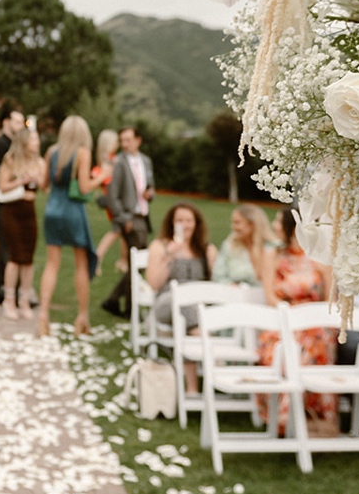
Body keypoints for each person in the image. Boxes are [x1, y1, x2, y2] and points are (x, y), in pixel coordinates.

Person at [261, 208, 338, 433]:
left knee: (315, 340)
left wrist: (311, 318)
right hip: (281, 321)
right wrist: (291, 317)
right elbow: (269, 295)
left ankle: (310, 416)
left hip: (315, 322)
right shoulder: (273, 255)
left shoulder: (321, 259)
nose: (274, 225)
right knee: (290, 344)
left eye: (276, 219)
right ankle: (288, 416)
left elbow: (329, 300)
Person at [38, 116, 103, 337]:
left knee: (52, 264)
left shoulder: (51, 152)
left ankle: (43, 315)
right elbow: (84, 188)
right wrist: (102, 177)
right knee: (81, 265)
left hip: (52, 210)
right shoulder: (83, 153)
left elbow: (44, 185)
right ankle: (82, 318)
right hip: (73, 211)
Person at [147, 202, 220, 392]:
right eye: (180, 220)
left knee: (191, 322)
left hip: (196, 308)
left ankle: (192, 388)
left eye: (189, 220)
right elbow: (153, 283)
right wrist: (169, 255)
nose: (185, 225)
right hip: (167, 303)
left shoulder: (206, 250)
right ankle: (213, 355)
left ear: (196, 223)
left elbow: (216, 283)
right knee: (185, 303)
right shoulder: (160, 245)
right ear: (172, 223)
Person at [100, 126, 154, 317]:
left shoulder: (146, 161)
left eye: (128, 140)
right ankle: (131, 310)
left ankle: (113, 300)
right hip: (130, 218)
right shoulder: (118, 163)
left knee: (137, 264)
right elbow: (111, 196)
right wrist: (124, 218)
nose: (124, 144)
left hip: (144, 215)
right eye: (122, 140)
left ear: (138, 140)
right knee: (138, 263)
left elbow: (151, 187)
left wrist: (150, 194)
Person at [0, 125, 43, 322]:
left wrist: (37, 180)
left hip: (29, 211)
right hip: (12, 210)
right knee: (15, 256)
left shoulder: (39, 162)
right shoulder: (10, 161)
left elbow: (44, 185)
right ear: (24, 142)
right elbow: (2, 186)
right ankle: (9, 299)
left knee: (28, 257)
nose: (37, 142)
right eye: (33, 139)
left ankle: (24, 299)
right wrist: (20, 181)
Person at [0, 107, 25, 305]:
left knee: (3, 248)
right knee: (8, 247)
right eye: (17, 121)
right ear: (6, 122)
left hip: (4, 202)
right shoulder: (1, 145)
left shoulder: (11, 144)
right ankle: (11, 290)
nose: (20, 126)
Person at [211, 204, 280, 302]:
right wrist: (232, 286)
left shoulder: (273, 247)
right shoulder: (229, 246)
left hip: (269, 301)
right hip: (236, 301)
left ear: (252, 224)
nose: (233, 227)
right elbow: (218, 276)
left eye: (237, 223)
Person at [90, 128, 121, 273]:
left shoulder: (108, 158)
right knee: (116, 231)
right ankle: (97, 258)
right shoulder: (110, 160)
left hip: (115, 200)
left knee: (121, 231)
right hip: (114, 201)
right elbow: (104, 178)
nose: (118, 144)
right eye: (116, 141)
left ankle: (123, 261)